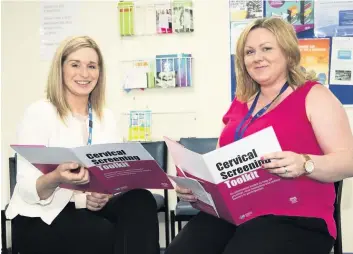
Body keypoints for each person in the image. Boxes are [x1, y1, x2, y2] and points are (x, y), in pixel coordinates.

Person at [165, 17, 353, 254]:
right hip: (238, 214)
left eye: (266, 49)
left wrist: (305, 163)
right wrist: (197, 190)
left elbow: (349, 161)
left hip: (297, 217)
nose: (257, 57)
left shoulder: (314, 96)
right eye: (250, 52)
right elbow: (220, 169)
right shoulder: (240, 103)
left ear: (287, 52)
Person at [5, 36, 160, 254]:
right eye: (75, 65)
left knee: (140, 199)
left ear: (100, 72)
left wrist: (105, 194)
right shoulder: (40, 113)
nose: (84, 74)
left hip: (89, 209)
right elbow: (27, 189)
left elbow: (113, 177)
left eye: (92, 66)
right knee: (104, 233)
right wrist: (56, 177)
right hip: (42, 215)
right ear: (60, 69)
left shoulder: (105, 117)